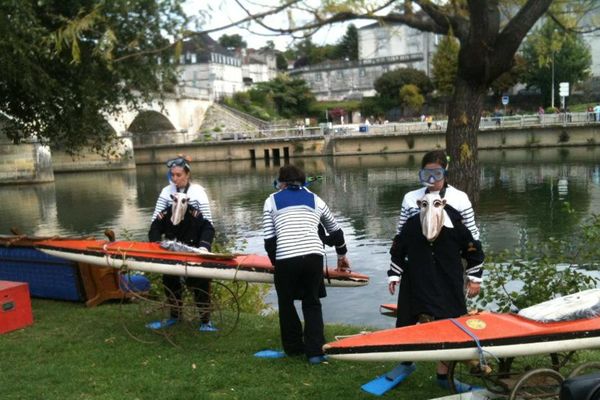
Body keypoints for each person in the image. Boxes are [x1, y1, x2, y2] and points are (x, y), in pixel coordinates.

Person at [388, 150, 482, 393]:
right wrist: (395, 273)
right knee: (409, 319)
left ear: (445, 173)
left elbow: (473, 238)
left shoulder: (459, 199)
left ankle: (443, 375)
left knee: (449, 322)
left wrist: (474, 277)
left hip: (448, 271)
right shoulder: (410, 199)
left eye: (437, 174)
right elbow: (401, 236)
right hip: (416, 270)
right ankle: (406, 362)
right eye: (426, 174)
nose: (432, 179)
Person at [262, 164, 350, 365]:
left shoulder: (271, 200)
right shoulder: (315, 199)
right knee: (311, 302)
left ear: (282, 182)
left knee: (286, 302)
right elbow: (336, 231)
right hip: (314, 256)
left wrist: (278, 264)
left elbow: (269, 240)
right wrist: (341, 254)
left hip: (286, 257)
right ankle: (316, 352)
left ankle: (293, 348)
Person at [147, 154, 217, 332]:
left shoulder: (198, 192)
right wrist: (156, 244)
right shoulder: (165, 192)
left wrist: (204, 246)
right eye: (173, 175)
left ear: (187, 174)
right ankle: (175, 315)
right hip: (172, 245)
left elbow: (208, 224)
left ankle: (205, 320)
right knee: (170, 281)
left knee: (200, 282)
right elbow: (156, 222)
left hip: (194, 245)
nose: (175, 178)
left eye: (178, 174)